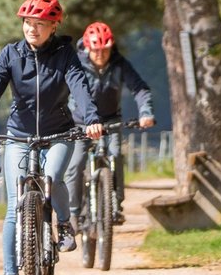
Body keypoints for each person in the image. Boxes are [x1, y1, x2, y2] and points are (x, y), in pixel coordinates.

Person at [0, 0, 104, 275]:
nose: (32, 29)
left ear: (54, 26)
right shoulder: (11, 54)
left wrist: (91, 118)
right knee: (13, 207)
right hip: (19, 135)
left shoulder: (65, 55)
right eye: (28, 23)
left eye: (40, 24)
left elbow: (79, 87)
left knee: (52, 177)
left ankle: (64, 223)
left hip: (58, 133)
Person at [65, 21, 157, 232]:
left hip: (111, 121)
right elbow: (61, 91)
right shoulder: (75, 65)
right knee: (75, 165)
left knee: (115, 156)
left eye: (105, 50)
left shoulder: (119, 64)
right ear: (87, 48)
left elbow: (140, 89)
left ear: (111, 47)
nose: (100, 55)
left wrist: (145, 113)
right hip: (80, 123)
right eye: (96, 50)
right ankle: (73, 213)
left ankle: (115, 205)